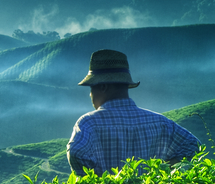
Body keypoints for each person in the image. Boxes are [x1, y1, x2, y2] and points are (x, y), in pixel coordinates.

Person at [67, 49, 199, 176]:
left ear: (103, 87)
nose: (90, 95)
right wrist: (160, 173)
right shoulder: (160, 122)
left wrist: (94, 181)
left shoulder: (89, 124)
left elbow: (76, 152)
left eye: (91, 89)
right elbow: (193, 145)